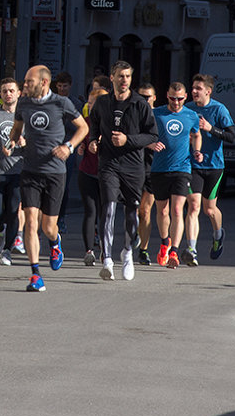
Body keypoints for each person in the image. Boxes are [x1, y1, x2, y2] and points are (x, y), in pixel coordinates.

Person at [11, 65, 88, 292]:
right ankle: (35, 274)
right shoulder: (23, 103)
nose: (25, 85)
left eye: (29, 82)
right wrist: (12, 142)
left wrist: (69, 146)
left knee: (48, 227)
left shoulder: (61, 103)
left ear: (44, 83)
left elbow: (82, 127)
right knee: (31, 221)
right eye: (25, 81)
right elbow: (17, 129)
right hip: (30, 170)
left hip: (55, 172)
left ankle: (55, 243)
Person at [85, 60, 158, 281]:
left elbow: (152, 136)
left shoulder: (140, 104)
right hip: (108, 163)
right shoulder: (102, 103)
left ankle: (127, 253)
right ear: (113, 77)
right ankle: (106, 259)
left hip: (133, 165)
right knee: (108, 206)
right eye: (120, 76)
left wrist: (128, 140)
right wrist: (93, 141)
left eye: (127, 76)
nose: (124, 80)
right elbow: (94, 126)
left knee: (132, 211)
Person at [146, 82, 203, 269]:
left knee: (178, 210)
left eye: (179, 99)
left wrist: (197, 150)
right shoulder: (157, 114)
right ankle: (165, 242)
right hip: (159, 169)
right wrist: (151, 145)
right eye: (172, 98)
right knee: (162, 210)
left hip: (182, 168)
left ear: (185, 97)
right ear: (167, 96)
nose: (176, 102)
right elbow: (143, 135)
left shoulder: (191, 115)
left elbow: (196, 134)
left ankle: (174, 252)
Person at [184, 73, 235, 264]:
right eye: (193, 88)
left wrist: (210, 128)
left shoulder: (219, 109)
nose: (194, 92)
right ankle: (191, 249)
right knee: (194, 206)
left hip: (214, 165)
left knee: (209, 210)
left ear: (208, 91)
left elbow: (232, 136)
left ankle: (217, 235)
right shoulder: (187, 109)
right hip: (192, 165)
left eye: (198, 89)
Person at [0, 78, 25, 266]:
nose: (8, 94)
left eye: (11, 90)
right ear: (0, 94)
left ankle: (7, 249)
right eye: (4, 91)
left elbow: (36, 142)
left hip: (17, 169)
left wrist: (25, 143)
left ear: (18, 93)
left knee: (13, 210)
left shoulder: (25, 116)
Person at [78, 84, 108, 265]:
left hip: (107, 174)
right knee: (90, 211)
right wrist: (81, 146)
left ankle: (106, 251)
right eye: (89, 103)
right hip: (87, 171)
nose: (90, 107)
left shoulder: (112, 123)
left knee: (106, 214)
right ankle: (89, 251)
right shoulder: (85, 122)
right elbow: (80, 140)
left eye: (94, 104)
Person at [52, 70, 85, 236]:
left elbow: (80, 127)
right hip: (52, 146)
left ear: (70, 86)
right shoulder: (52, 101)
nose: (62, 89)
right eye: (59, 86)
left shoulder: (74, 103)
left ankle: (61, 218)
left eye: (65, 86)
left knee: (63, 186)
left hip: (68, 146)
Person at [135, 82, 158, 265]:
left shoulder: (159, 116)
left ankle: (144, 250)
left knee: (145, 210)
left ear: (154, 98)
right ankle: (134, 232)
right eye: (141, 96)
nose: (145, 100)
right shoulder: (133, 114)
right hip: (133, 166)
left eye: (148, 97)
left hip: (152, 167)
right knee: (134, 210)